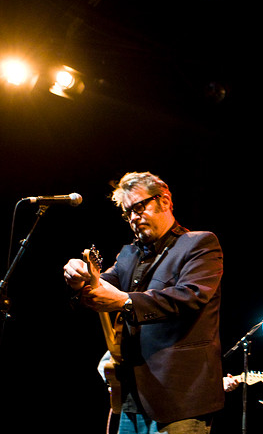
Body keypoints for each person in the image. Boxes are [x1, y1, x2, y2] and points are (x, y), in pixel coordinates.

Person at [63, 171, 225, 434]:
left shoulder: (200, 244)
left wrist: (125, 301)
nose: (134, 218)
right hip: (131, 395)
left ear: (164, 200)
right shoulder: (128, 254)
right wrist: (79, 278)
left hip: (180, 397)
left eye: (139, 207)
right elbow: (102, 285)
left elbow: (190, 296)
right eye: (128, 213)